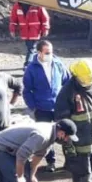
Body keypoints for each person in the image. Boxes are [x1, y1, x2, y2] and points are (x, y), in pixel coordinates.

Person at [24, 40, 70, 173]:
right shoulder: (31, 69)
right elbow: (27, 90)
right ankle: (51, 161)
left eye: (51, 52)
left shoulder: (58, 64)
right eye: (47, 52)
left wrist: (67, 101)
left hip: (59, 108)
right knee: (47, 137)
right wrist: (33, 107)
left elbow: (67, 82)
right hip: (42, 109)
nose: (50, 55)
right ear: (39, 53)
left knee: (65, 133)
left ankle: (69, 161)